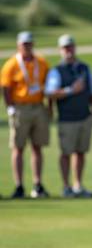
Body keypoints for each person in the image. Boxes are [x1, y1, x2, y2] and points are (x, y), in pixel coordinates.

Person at [45, 34, 92, 198]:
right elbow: (51, 94)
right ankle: (66, 186)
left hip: (84, 116)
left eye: (71, 47)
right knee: (66, 153)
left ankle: (78, 186)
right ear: (60, 50)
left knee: (80, 152)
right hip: (67, 118)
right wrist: (70, 90)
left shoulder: (84, 68)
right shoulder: (56, 71)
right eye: (65, 48)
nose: (69, 50)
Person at [1, 31, 50, 198]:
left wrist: (49, 106)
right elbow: (5, 88)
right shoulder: (11, 64)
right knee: (18, 147)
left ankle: (37, 184)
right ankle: (19, 185)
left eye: (29, 44)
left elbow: (47, 84)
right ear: (18, 45)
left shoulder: (41, 62)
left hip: (38, 106)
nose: (27, 47)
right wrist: (10, 107)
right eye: (24, 44)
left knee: (37, 147)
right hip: (20, 107)